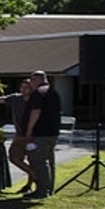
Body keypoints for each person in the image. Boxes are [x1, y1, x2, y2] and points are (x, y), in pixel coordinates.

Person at [0, 79, 33, 192]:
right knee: (14, 157)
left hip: (33, 136)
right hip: (20, 135)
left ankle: (30, 184)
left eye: (26, 87)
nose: (23, 89)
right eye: (22, 87)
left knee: (33, 160)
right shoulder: (15, 98)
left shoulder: (36, 100)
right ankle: (34, 174)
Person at [23, 70, 62, 199]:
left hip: (40, 133)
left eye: (32, 81)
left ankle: (42, 191)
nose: (30, 84)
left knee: (39, 162)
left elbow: (36, 112)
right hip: (53, 132)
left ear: (36, 80)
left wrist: (29, 129)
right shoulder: (54, 92)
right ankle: (50, 189)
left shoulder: (38, 93)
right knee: (50, 161)